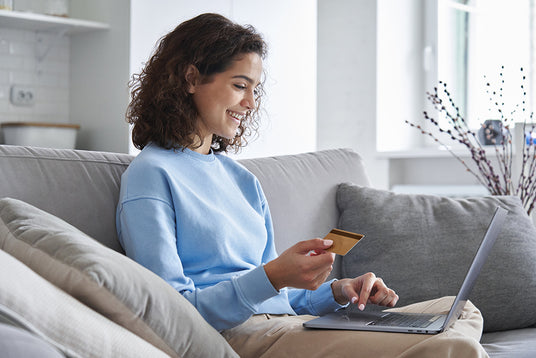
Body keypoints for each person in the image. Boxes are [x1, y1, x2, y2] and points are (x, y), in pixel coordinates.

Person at [116, 13, 488, 357]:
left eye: (255, 90)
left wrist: (339, 292)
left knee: (456, 311)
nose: (250, 103)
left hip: (286, 325)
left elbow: (280, 298)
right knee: (453, 346)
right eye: (240, 85)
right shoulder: (151, 175)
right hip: (234, 335)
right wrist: (273, 275)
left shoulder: (242, 180)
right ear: (192, 78)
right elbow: (170, 311)